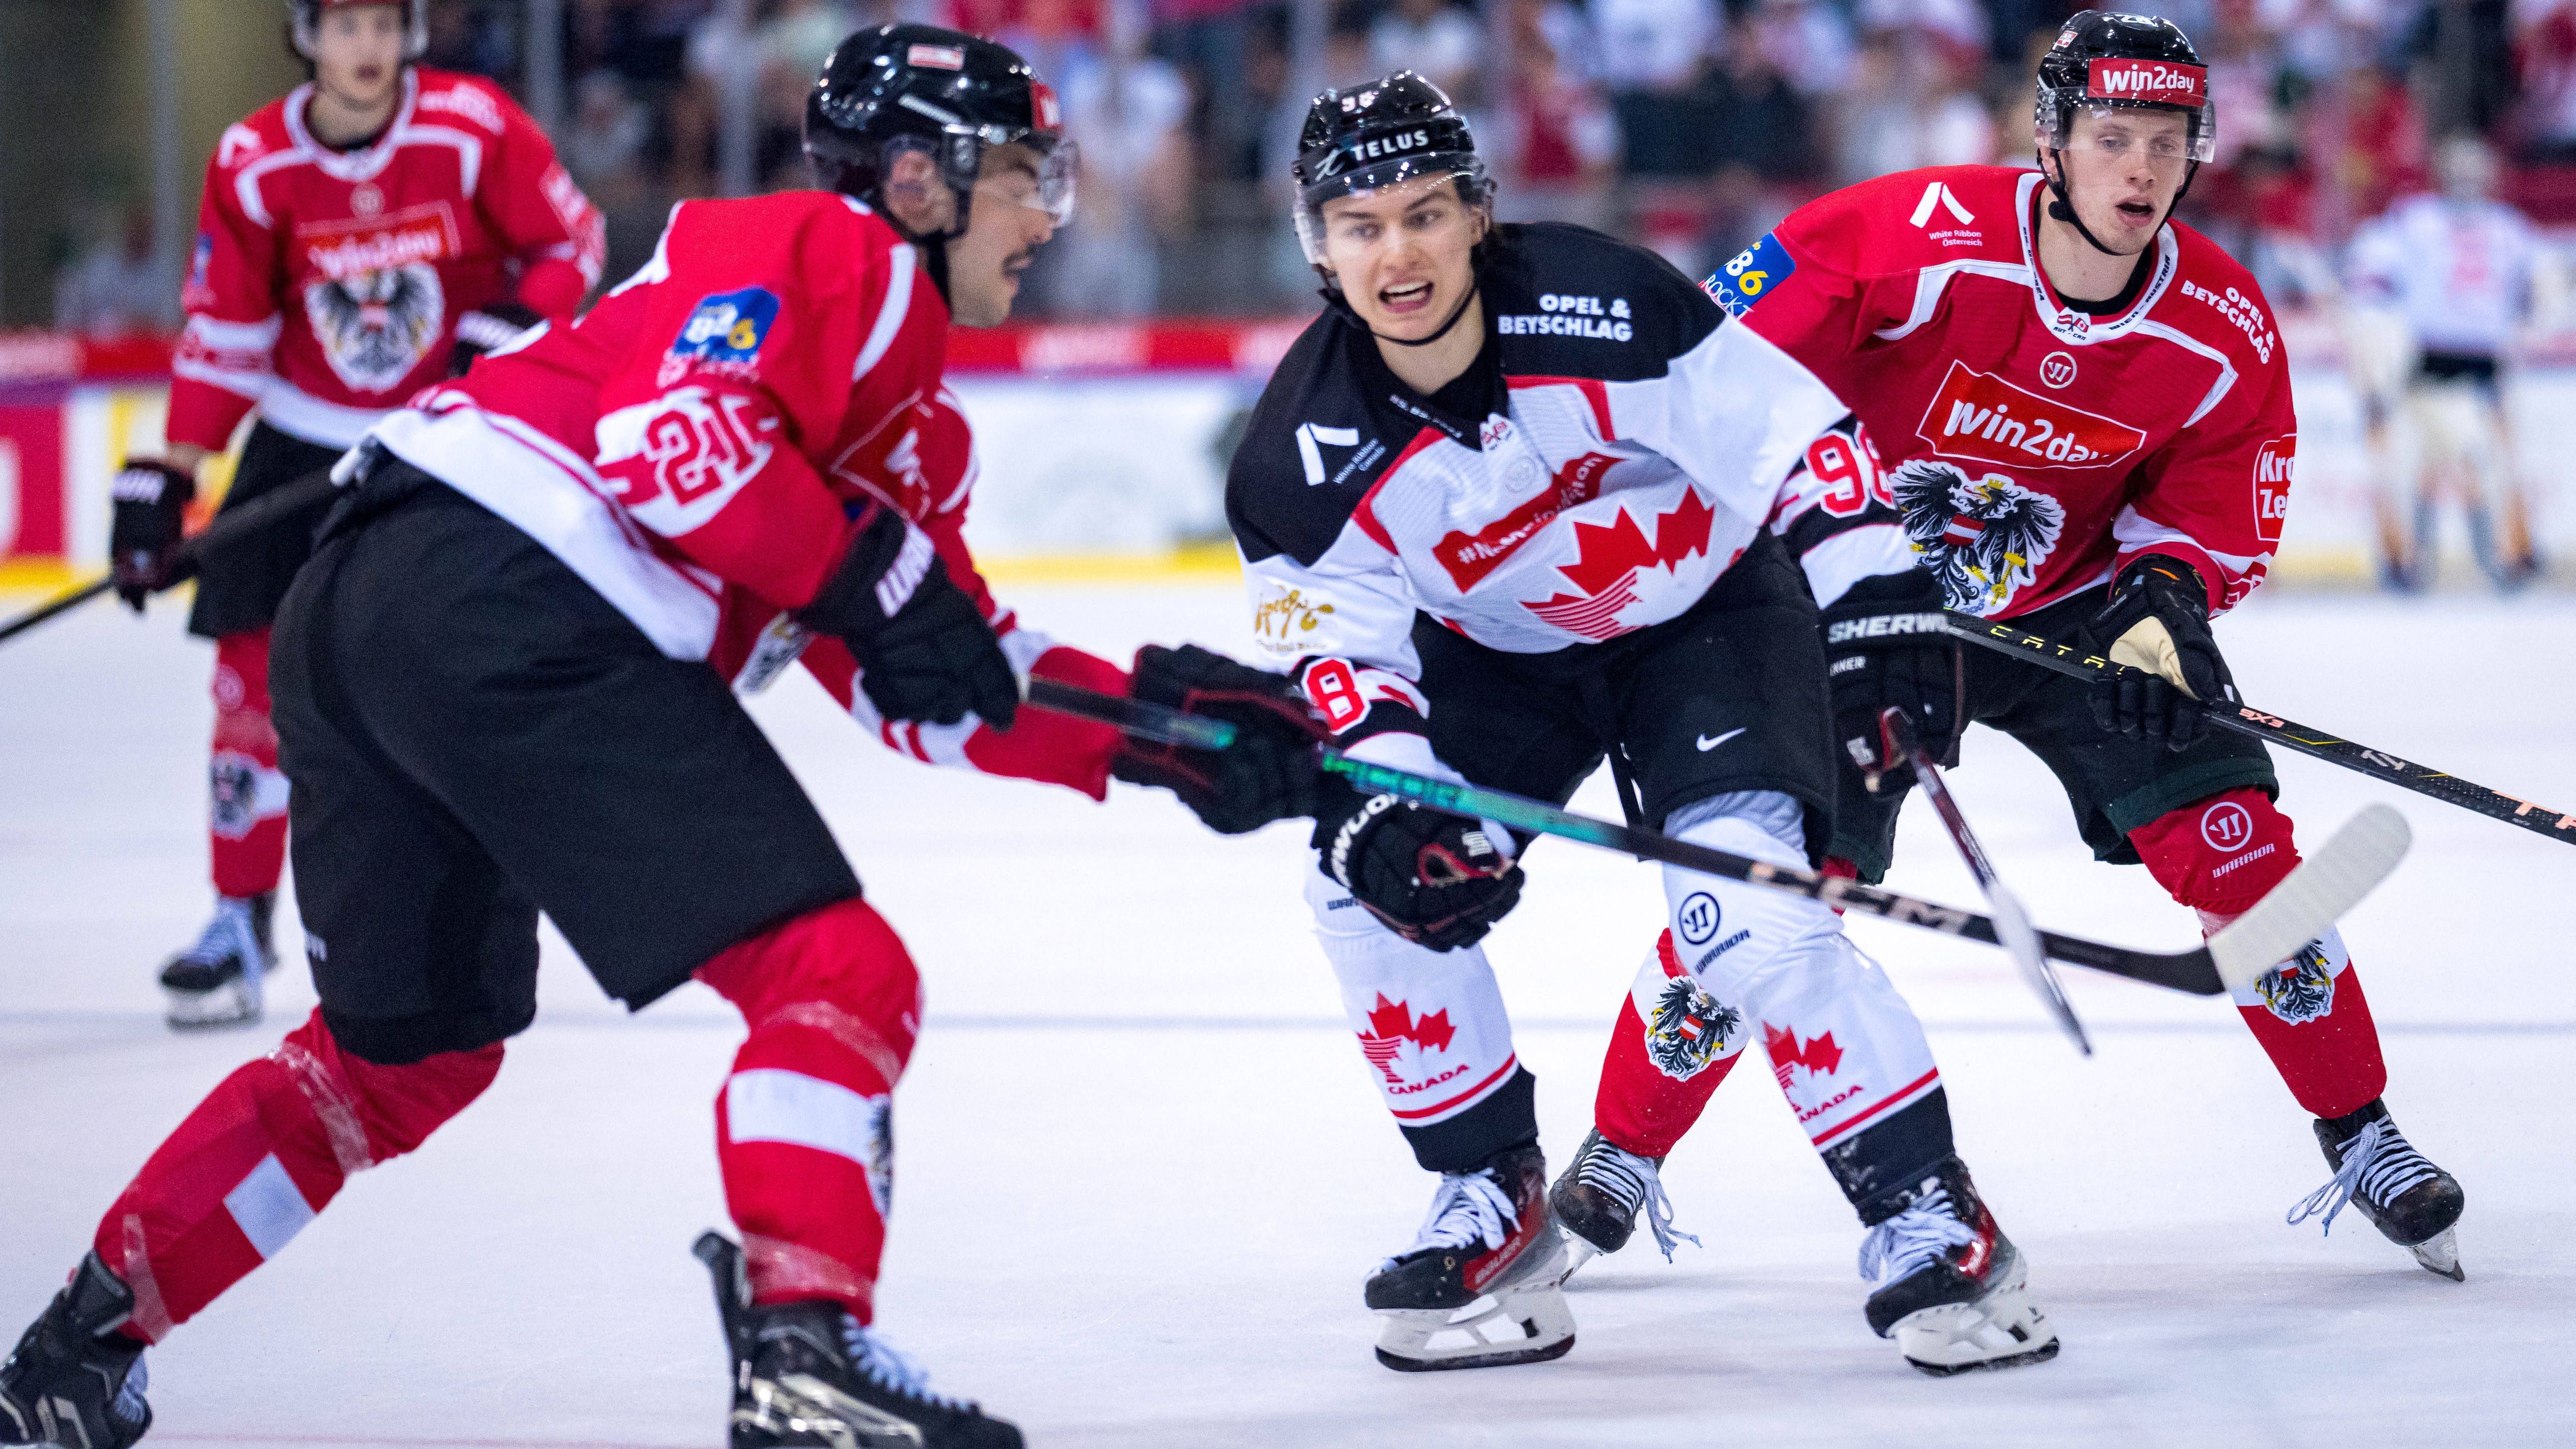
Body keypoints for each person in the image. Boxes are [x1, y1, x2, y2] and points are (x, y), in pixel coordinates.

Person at [1, 25, 1317, 1449]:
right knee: (840, 973)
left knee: (400, 1062)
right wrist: (868, 572)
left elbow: (929, 674)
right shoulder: (827, 247)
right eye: (1024, 175)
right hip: (508, 596)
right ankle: (807, 1350)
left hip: (368, 611)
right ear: (924, 184)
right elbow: (674, 447)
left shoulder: (909, 425)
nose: (1050, 212)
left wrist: (1154, 733)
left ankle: (75, 1353)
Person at [1556, 11, 2468, 1287]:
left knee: (2238, 853)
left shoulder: (2222, 322)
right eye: (2112, 136)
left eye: (2166, 141)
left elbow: (2222, 498)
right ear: (2051, 139)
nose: (2140, 170)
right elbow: (1708, 391)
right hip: (1856, 596)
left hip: (2074, 606)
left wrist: (2167, 597)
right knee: (1771, 878)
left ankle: (2360, 1127)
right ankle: (1624, 1146)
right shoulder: (1895, 238)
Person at [1227, 72, 2057, 1377]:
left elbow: (1795, 444)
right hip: (1500, 658)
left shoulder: (1607, 300)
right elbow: (1342, 660)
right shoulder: (1293, 452)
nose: (1399, 250)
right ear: (1316, 245)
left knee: (1747, 915)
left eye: (1427, 213)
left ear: (1478, 216)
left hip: (1705, 617)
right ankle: (1491, 1202)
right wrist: (1390, 806)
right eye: (1363, 222)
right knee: (1363, 884)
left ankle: (1929, 1216)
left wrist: (1880, 603)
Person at [105, 0, 607, 1031]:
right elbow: (229, 330)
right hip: (302, 436)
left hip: (441, 442)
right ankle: (236, 919)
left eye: (386, 24)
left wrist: (509, 325)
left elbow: (574, 241)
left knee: (456, 675)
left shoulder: (472, 125)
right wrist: (168, 471)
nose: (367, 48)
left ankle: (485, 907)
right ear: (307, 37)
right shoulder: (253, 160)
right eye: (346, 27)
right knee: (250, 680)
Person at [2346, 134, 2548, 591]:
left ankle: (2487, 559)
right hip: (2444, 357)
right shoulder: (2499, 226)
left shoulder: (2421, 219)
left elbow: (2368, 277)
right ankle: (2465, 561)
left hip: (2464, 358)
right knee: (2440, 463)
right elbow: (2536, 293)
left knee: (2471, 464)